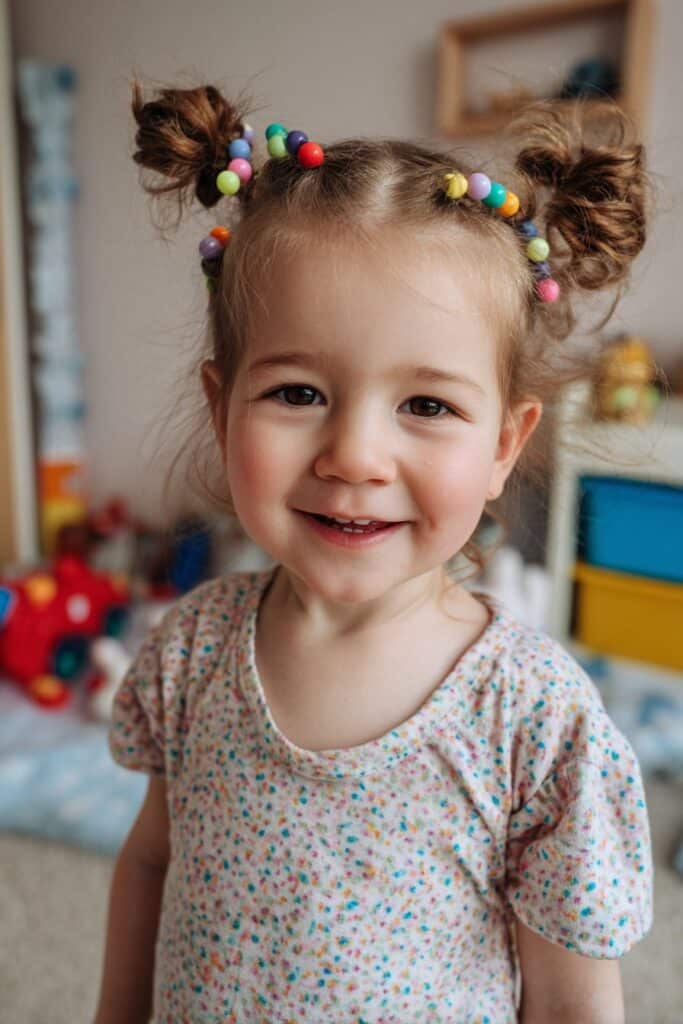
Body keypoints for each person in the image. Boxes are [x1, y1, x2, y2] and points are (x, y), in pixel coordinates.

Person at [93, 78, 654, 1024]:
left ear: (504, 446)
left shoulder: (531, 715)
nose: (354, 455)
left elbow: (569, 997)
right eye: (298, 393)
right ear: (219, 407)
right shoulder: (189, 652)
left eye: (426, 406)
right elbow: (154, 854)